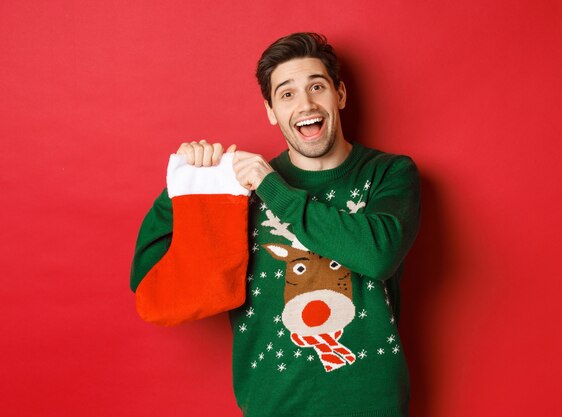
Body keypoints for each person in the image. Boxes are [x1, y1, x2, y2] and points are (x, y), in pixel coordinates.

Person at [131, 32, 421, 417]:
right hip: (274, 406)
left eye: (317, 87)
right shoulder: (239, 193)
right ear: (271, 111)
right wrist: (181, 190)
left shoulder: (388, 173)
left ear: (340, 95)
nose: (305, 104)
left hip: (373, 405)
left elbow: (378, 253)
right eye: (286, 94)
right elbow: (149, 283)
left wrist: (272, 188)